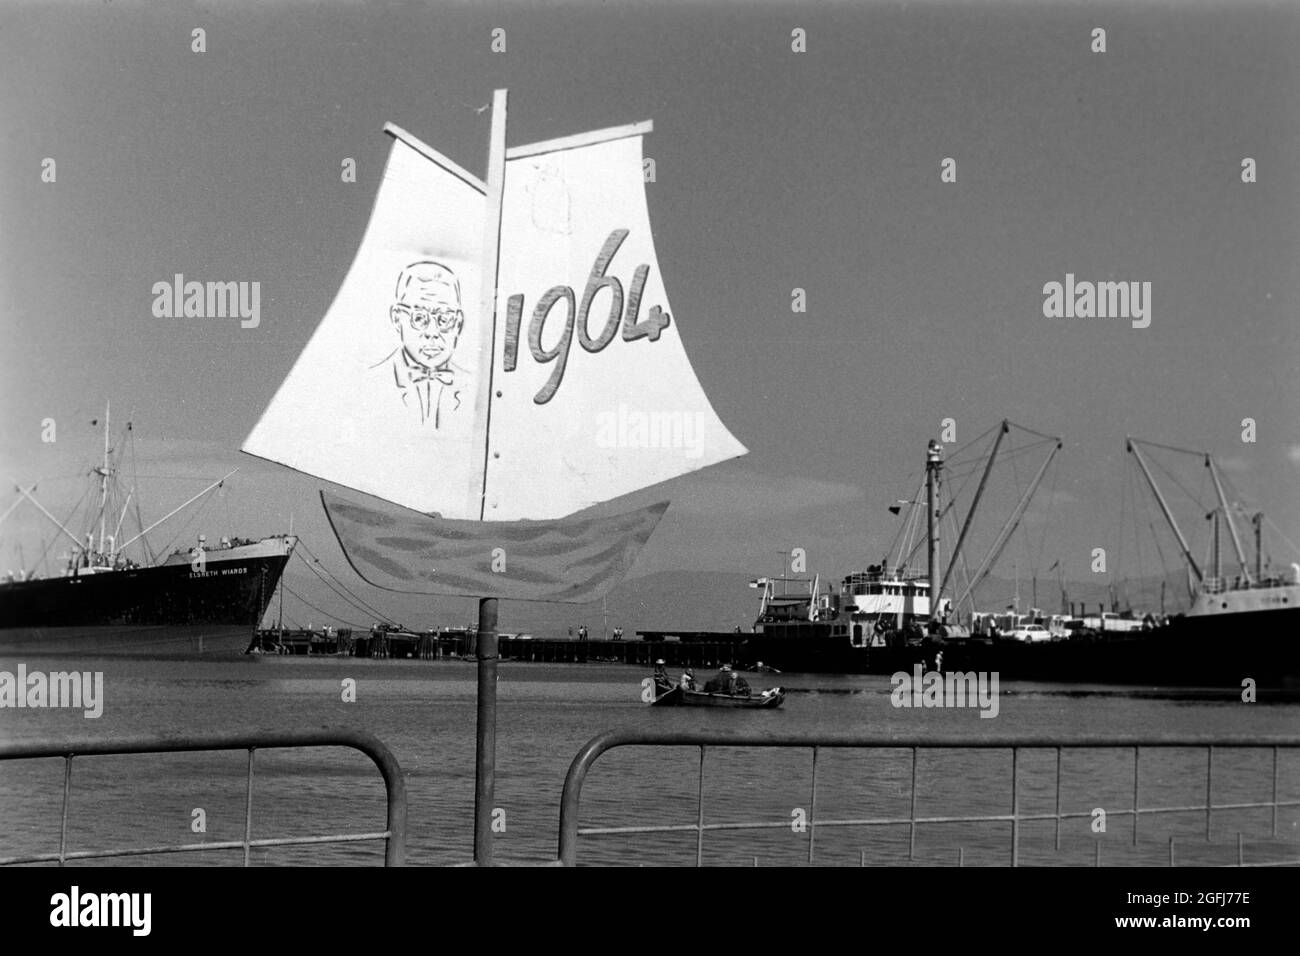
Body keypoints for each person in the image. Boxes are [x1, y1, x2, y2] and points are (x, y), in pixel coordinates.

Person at [371, 260, 469, 428]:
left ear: (458, 323)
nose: (432, 332)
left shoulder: (471, 385)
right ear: (397, 318)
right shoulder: (373, 381)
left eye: (444, 319)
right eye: (419, 318)